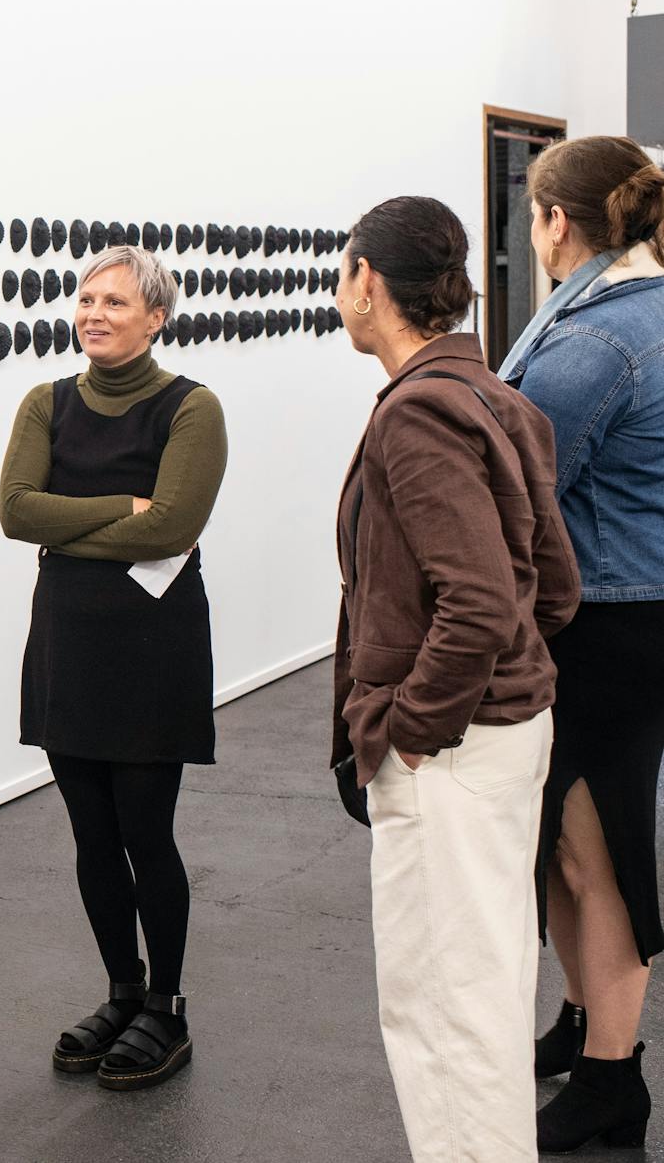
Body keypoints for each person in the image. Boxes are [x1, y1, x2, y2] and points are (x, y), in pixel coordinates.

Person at [332, 196, 579, 1162]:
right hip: (504, 735)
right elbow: (552, 587)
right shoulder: (494, 395)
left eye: (345, 272)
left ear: (368, 282)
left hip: (454, 751)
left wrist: (410, 728)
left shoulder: (420, 414)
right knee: (482, 985)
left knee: (448, 1009)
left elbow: (478, 602)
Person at [0, 243, 228, 1092]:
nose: (94, 313)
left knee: (145, 832)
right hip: (69, 640)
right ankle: (121, 992)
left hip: (150, 648)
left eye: (116, 303)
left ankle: (167, 1006)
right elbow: (15, 511)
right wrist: (115, 512)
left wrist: (71, 528)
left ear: (157, 317)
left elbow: (171, 528)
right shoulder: (45, 402)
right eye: (86, 299)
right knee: (91, 836)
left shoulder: (191, 409)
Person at [500, 136, 664, 1152]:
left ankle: (616, 1076)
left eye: (532, 214)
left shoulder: (599, 342)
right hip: (621, 612)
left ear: (557, 223)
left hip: (605, 624)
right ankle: (583, 1017)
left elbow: (516, 487)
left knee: (596, 851)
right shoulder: (631, 314)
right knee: (567, 844)